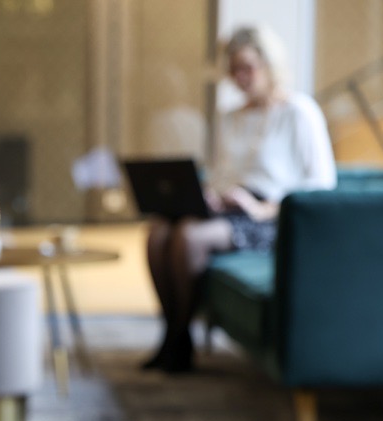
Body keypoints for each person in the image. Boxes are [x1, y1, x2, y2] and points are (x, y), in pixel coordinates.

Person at [143, 25, 336, 373]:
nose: (240, 77)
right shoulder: (230, 117)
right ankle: (172, 333)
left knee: (189, 237)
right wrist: (210, 195)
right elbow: (219, 173)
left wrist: (261, 208)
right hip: (228, 208)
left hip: (270, 216)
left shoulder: (299, 112)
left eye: (247, 68)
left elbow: (321, 185)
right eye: (233, 70)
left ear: (270, 65)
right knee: (157, 234)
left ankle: (178, 339)